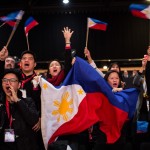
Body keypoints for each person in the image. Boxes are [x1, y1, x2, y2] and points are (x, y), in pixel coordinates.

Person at [0, 68, 39, 150]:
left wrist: (18, 101)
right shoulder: (1, 104)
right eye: (5, 80)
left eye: (12, 80)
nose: (8, 83)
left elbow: (33, 120)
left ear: (19, 85)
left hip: (23, 145)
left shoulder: (28, 101)